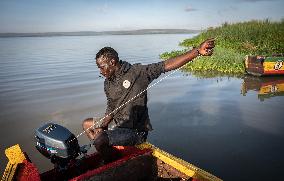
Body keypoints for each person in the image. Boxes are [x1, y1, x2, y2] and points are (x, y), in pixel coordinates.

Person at [82, 38, 215, 162]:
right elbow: (111, 107)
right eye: (99, 67)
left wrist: (197, 51)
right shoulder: (108, 83)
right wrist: (103, 126)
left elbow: (165, 65)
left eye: (102, 66)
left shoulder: (137, 72)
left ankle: (114, 161)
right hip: (117, 125)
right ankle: (110, 150)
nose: (100, 71)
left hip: (135, 132)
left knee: (100, 141)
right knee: (87, 124)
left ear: (112, 62)